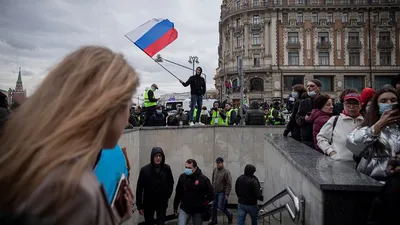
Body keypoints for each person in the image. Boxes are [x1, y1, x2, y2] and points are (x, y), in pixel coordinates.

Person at [0, 46, 137, 224]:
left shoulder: (40, 157)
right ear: (107, 107)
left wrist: (112, 216)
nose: (127, 120)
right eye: (128, 104)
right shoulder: (75, 192)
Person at [347, 87, 400, 181]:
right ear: (377, 105)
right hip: (374, 183)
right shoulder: (367, 127)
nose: (389, 104)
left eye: (393, 100)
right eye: (383, 101)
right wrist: (378, 126)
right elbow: (353, 144)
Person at [317, 93, 364, 161]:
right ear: (344, 105)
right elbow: (321, 138)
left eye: (355, 104)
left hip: (361, 166)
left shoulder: (365, 122)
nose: (351, 107)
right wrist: (330, 152)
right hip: (338, 164)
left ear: (360, 106)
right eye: (348, 104)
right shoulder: (334, 120)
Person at [136, 147, 174, 225]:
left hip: (162, 203)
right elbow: (139, 188)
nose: (158, 158)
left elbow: (171, 183)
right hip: (149, 203)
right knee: (149, 222)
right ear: (152, 157)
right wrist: (139, 206)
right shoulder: (145, 170)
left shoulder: (167, 168)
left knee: (161, 222)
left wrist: (167, 195)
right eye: (156, 156)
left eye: (160, 156)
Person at [173, 159, 214, 225]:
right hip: (185, 209)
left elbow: (211, 195)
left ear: (195, 168)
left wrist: (203, 203)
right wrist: (175, 206)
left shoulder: (203, 179)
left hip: (198, 211)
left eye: (189, 168)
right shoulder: (182, 177)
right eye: (186, 167)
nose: (187, 169)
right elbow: (178, 193)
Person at [209, 157, 233, 225]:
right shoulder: (215, 170)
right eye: (216, 163)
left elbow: (229, 183)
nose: (217, 164)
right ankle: (214, 220)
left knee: (221, 207)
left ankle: (230, 215)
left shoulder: (226, 171)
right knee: (213, 206)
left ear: (222, 163)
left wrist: (227, 194)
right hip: (215, 191)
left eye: (219, 163)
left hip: (222, 192)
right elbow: (213, 180)